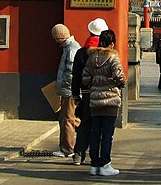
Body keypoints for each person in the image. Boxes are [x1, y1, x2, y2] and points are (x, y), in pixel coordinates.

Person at [81, 29, 126, 177]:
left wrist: (95, 81)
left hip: (95, 99)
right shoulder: (113, 57)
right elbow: (119, 77)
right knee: (107, 134)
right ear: (112, 43)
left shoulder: (91, 57)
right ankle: (105, 164)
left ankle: (94, 165)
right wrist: (118, 83)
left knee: (95, 133)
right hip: (111, 100)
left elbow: (85, 78)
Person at [71, 17, 109, 165]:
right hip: (103, 93)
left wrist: (75, 94)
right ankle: (97, 156)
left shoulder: (81, 52)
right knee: (100, 125)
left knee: (85, 124)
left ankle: (79, 154)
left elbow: (76, 75)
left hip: (86, 94)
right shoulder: (107, 53)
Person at [51, 23, 80, 158]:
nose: (55, 40)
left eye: (55, 37)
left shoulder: (71, 49)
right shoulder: (69, 48)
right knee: (69, 119)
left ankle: (67, 149)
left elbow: (70, 71)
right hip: (68, 90)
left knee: (67, 119)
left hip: (69, 91)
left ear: (60, 36)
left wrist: (67, 85)